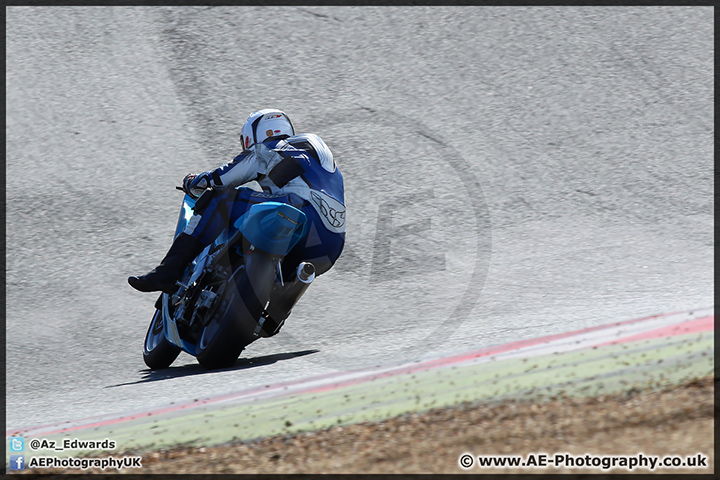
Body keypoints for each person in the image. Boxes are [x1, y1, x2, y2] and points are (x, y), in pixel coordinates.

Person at [128, 108, 346, 294]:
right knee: (280, 280)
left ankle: (167, 271)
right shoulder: (319, 152)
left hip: (299, 214)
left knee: (220, 199)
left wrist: (197, 181)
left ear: (252, 136)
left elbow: (224, 178)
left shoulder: (267, 149)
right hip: (331, 245)